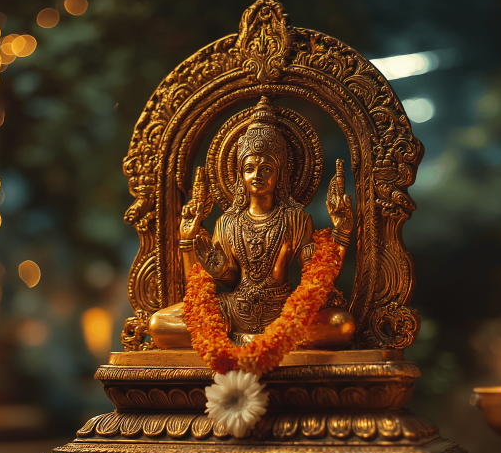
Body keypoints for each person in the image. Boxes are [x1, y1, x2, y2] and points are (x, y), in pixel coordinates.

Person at [148, 96, 354, 349]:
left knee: (340, 324)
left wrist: (342, 232)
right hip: (234, 309)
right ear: (239, 175)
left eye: (266, 168)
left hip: (283, 310)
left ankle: (252, 341)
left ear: (280, 174)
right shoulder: (227, 222)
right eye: (249, 168)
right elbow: (223, 283)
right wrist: (201, 253)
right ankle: (262, 342)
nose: (257, 175)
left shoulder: (296, 218)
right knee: (159, 324)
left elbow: (318, 280)